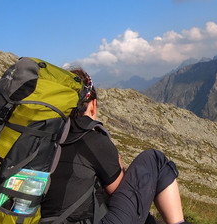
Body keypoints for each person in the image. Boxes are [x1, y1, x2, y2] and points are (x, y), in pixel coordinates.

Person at [41, 68, 186, 224]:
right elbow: (121, 192)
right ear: (93, 104)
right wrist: (120, 169)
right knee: (154, 159)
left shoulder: (44, 136)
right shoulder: (93, 139)